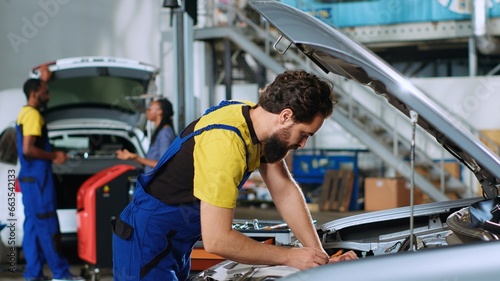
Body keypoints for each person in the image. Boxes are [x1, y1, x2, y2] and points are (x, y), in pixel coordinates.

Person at [112, 69, 358, 281]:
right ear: (285, 116)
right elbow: (218, 240)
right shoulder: (226, 145)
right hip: (146, 241)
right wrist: (290, 256)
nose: (303, 144)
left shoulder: (253, 119)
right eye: (304, 134)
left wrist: (319, 258)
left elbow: (284, 190)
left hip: (174, 240)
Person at [16, 65, 84, 281]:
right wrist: (55, 156)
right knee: (48, 226)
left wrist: (44, 78)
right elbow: (29, 149)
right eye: (46, 91)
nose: (49, 95)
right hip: (38, 182)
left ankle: (33, 274)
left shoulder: (25, 112)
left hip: (30, 180)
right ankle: (61, 274)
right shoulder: (34, 116)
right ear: (35, 93)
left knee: (33, 228)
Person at [116, 98, 176, 173]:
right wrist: (134, 158)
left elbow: (163, 163)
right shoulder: (161, 131)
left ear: (160, 111)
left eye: (150, 108)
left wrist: (136, 157)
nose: (147, 111)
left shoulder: (164, 133)